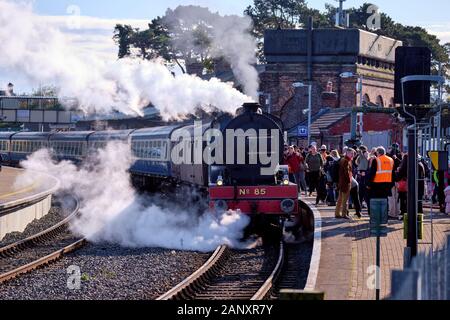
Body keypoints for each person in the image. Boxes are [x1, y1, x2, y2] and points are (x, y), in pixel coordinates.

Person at [367, 146, 395, 218]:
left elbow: (372, 173)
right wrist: (392, 183)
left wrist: (369, 184)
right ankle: (384, 215)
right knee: (385, 200)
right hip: (387, 183)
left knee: (376, 200)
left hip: (377, 183)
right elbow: (393, 173)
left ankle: (376, 216)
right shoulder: (391, 160)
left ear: (378, 153)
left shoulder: (376, 160)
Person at [335, 148, 355, 219]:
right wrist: (349, 181)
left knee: (340, 199)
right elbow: (346, 172)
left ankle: (337, 213)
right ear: (347, 153)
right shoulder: (346, 161)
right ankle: (344, 214)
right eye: (351, 153)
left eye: (353, 153)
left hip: (341, 182)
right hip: (345, 182)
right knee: (345, 199)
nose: (353, 155)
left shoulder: (343, 160)